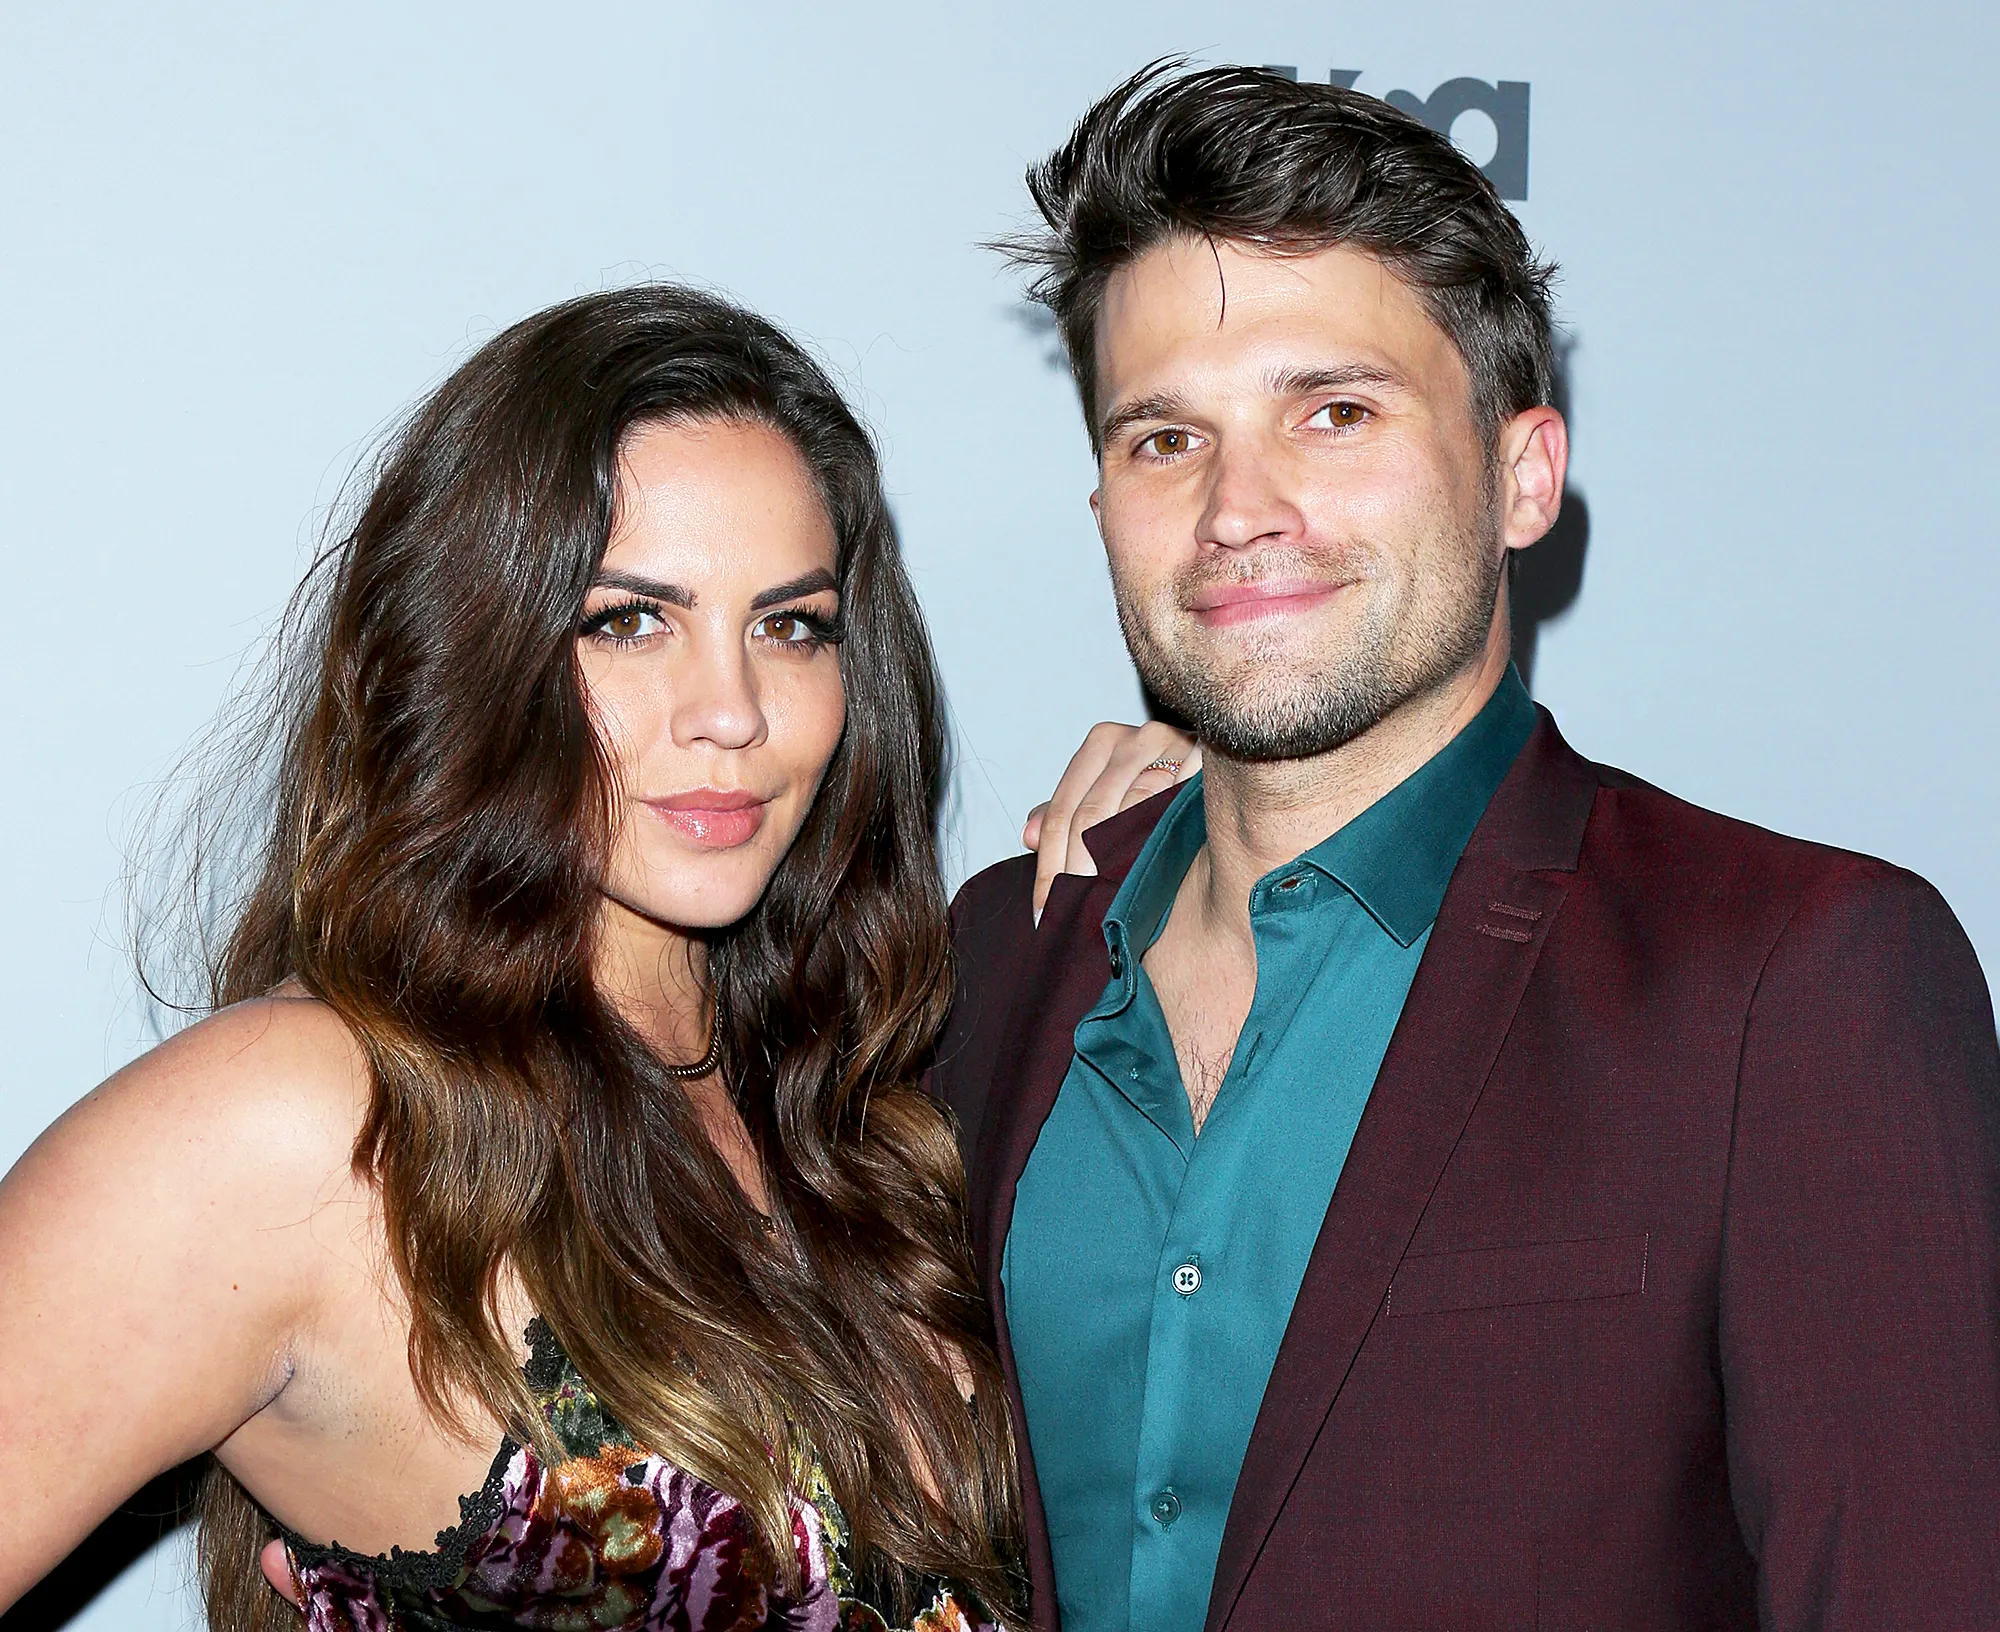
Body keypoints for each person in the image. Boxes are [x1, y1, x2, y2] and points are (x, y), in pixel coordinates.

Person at [934, 63, 2000, 1632]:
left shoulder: (1798, 980)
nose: (1240, 509)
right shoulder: (998, 952)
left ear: (1523, 475)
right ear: (1102, 498)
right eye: (1165, 440)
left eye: (1336, 412)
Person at [1, 284, 1104, 1632]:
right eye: (628, 621)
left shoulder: (857, 1110)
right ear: (476, 648)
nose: (733, 713)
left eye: (792, 625)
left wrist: (1208, 822)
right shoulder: (299, 1122)